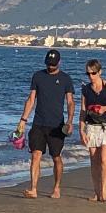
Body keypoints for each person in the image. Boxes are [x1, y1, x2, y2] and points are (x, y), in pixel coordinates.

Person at [16, 49, 75, 199]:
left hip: (57, 126)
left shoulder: (66, 79)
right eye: (49, 64)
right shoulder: (38, 76)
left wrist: (69, 121)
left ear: (59, 63)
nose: (51, 67)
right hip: (38, 123)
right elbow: (31, 99)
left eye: (53, 64)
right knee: (36, 155)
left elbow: (70, 102)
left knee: (56, 157)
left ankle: (56, 188)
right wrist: (23, 120)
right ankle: (33, 189)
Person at [79, 59, 106, 202]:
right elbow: (83, 110)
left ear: (100, 72)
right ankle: (96, 192)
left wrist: (104, 108)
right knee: (94, 161)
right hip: (92, 127)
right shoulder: (85, 89)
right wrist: (81, 130)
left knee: (104, 159)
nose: (91, 76)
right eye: (88, 73)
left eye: (93, 73)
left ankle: (104, 191)